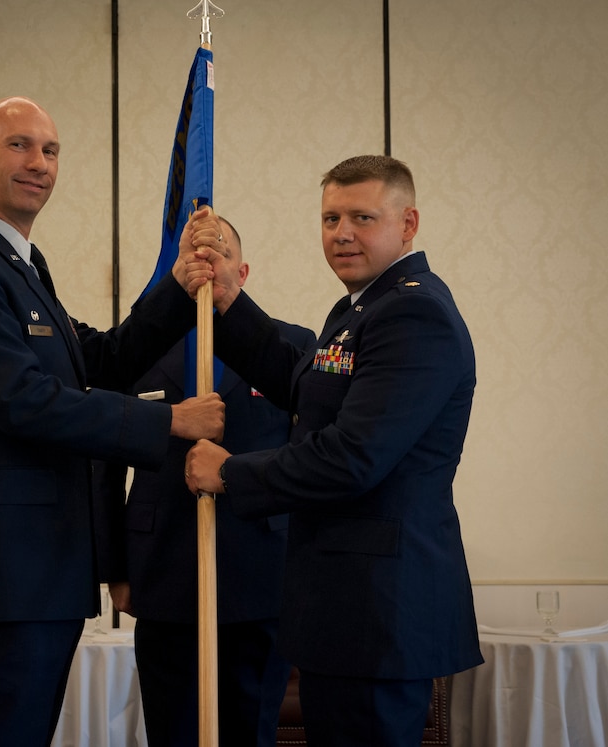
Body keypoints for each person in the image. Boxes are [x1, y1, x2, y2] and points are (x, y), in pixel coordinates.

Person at [0, 96, 224, 746]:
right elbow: (21, 399)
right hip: (1, 571)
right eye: (19, 145)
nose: (40, 163)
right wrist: (166, 423)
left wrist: (175, 285)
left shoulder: (22, 266)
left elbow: (98, 360)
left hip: (39, 568)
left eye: (50, 150)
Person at [182, 155, 483, 746]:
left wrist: (232, 474)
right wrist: (229, 298)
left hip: (379, 609)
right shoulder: (360, 309)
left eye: (362, 217)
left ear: (408, 223)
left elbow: (353, 455)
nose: (342, 232)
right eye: (330, 218)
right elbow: (301, 384)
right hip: (345, 606)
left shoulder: (414, 312)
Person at [94, 217, 316, 747]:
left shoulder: (291, 346)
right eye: (194, 255)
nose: (204, 265)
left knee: (250, 728)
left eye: (216, 253)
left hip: (261, 571)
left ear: (241, 270)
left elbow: (309, 459)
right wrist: (115, 571)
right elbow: (103, 461)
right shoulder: (137, 347)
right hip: (161, 570)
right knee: (172, 730)